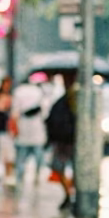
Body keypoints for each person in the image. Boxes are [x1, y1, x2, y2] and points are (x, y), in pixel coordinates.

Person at [45, 80, 77, 210]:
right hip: (64, 142)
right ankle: (70, 194)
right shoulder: (61, 104)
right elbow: (51, 122)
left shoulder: (76, 105)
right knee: (59, 168)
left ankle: (71, 194)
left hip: (69, 142)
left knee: (73, 170)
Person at [12, 79, 48, 185]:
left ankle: (20, 178)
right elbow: (44, 111)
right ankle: (36, 177)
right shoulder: (39, 91)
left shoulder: (18, 91)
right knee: (38, 157)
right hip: (37, 130)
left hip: (23, 129)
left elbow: (15, 113)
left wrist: (15, 128)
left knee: (21, 158)